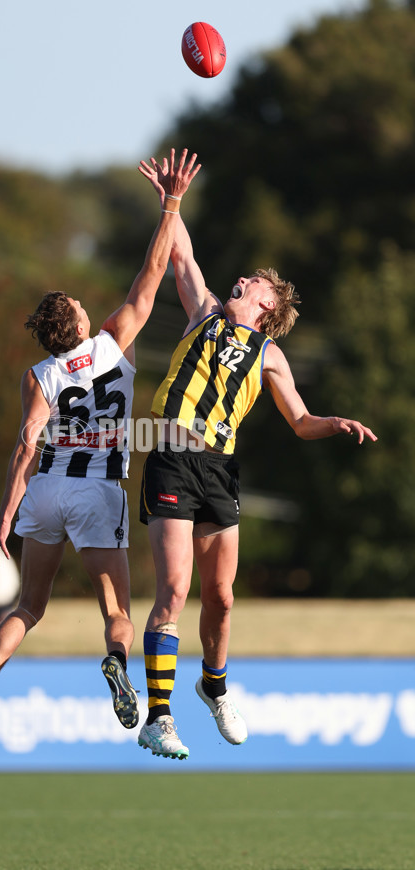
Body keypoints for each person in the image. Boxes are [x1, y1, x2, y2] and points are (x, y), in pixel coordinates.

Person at [0, 148, 201, 761]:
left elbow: (23, 448)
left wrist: (5, 519)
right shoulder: (113, 342)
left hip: (46, 492)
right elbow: (152, 271)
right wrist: (171, 203)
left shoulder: (37, 376)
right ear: (79, 320)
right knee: (116, 609)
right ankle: (116, 665)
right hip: (97, 493)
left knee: (28, 606)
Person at [134, 156, 378, 760]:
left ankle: (213, 686)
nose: (248, 279)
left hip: (219, 469)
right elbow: (182, 256)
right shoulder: (204, 312)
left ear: (269, 305)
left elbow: (299, 419)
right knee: (175, 589)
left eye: (260, 282)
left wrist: (335, 422)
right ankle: (158, 719)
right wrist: (173, 199)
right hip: (169, 456)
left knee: (221, 596)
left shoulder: (269, 355)